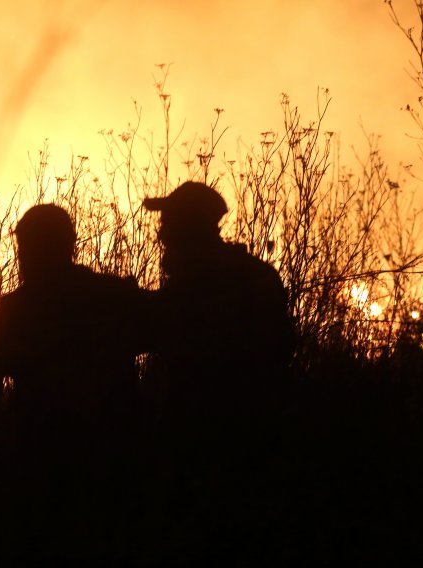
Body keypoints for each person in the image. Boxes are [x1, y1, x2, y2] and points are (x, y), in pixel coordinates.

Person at [0, 204, 148, 562]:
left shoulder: (13, 310)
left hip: (46, 468)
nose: (22, 259)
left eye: (26, 249)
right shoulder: (113, 296)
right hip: (109, 469)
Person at [142, 181, 293, 561]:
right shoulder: (257, 276)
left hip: (205, 450)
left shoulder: (193, 289)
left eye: (169, 221)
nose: (161, 232)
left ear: (187, 227)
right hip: (256, 444)